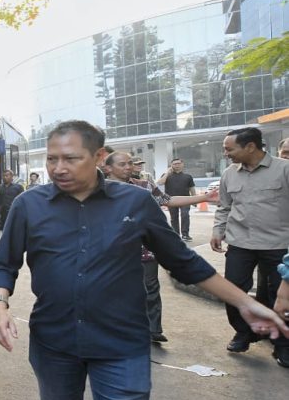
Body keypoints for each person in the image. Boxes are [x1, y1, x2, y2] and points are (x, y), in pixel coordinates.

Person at [0, 120, 288, 400]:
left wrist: (244, 302)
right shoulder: (28, 205)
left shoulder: (134, 202)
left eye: (71, 158)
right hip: (54, 343)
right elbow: (4, 262)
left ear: (99, 156)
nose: (58, 168)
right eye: (52, 159)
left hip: (122, 346)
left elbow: (183, 262)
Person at [105, 153, 217, 343]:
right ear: (108, 168)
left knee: (150, 289)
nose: (128, 167)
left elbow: (168, 200)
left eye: (130, 163)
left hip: (144, 250)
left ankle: (153, 330)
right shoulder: (97, 191)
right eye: (122, 164)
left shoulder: (144, 186)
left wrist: (204, 197)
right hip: (112, 252)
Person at [211, 127, 289, 367]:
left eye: (229, 149)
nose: (226, 154)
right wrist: (218, 230)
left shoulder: (284, 169)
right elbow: (224, 207)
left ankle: (283, 344)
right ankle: (244, 333)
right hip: (240, 243)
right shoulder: (229, 174)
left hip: (278, 244)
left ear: (251, 147)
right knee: (232, 288)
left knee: (281, 295)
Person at [157, 158, 195, 241]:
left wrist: (195, 199)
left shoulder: (188, 176)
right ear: (171, 165)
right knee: (174, 217)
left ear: (182, 164)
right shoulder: (167, 175)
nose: (177, 165)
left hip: (185, 199)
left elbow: (192, 188)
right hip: (171, 200)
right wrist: (167, 172)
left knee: (185, 215)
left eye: (178, 163)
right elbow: (160, 183)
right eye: (174, 164)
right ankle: (176, 234)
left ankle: (185, 234)